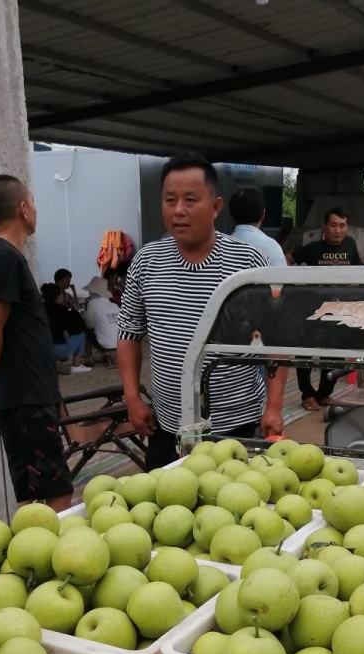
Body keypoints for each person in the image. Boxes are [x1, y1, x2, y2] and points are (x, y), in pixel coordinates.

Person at [117, 153, 287, 470]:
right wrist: (132, 398)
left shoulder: (248, 262)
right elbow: (128, 333)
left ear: (216, 206)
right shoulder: (146, 261)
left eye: (190, 200)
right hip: (167, 424)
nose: (179, 210)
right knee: (168, 513)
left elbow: (277, 340)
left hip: (236, 426)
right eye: (170, 200)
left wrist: (275, 406)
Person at [0, 174, 72, 510]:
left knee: (39, 489)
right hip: (24, 397)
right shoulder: (4, 259)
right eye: (34, 202)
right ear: (23, 208)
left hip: (30, 392)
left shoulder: (4, 257)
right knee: (55, 492)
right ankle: (46, 557)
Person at [293, 206, 362, 409]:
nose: (338, 230)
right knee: (304, 354)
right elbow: (289, 258)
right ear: (325, 227)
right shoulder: (313, 248)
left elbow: (360, 271)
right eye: (333, 225)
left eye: (342, 225)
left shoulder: (350, 244)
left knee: (334, 356)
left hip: (340, 312)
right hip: (312, 311)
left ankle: (324, 394)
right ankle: (307, 395)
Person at [229, 187, 287, 267]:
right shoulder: (271, 246)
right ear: (263, 214)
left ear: (232, 214)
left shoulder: (221, 248)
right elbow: (282, 278)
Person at [84, 276, 119, 364]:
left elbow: (89, 325)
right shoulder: (115, 306)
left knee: (84, 329)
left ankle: (89, 358)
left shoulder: (92, 303)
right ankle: (111, 354)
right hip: (120, 344)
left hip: (104, 344)